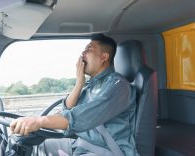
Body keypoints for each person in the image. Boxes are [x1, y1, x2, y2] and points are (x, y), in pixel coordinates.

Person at [10, 34, 139, 156]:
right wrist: (79, 83)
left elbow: (80, 117)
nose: (83, 53)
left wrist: (39, 120)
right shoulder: (91, 86)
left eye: (89, 49)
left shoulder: (118, 86)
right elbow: (67, 110)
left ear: (104, 57)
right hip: (81, 144)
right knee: (38, 146)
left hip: (105, 150)